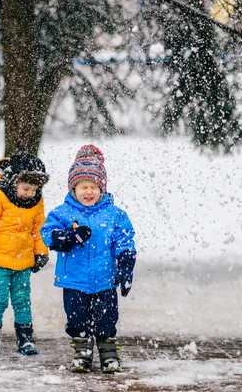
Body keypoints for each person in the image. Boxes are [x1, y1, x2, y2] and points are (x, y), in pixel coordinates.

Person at [41, 145, 137, 373]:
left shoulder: (114, 214)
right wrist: (68, 236)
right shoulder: (62, 213)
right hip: (74, 281)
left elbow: (124, 240)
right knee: (77, 320)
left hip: (105, 280)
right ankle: (82, 353)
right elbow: (48, 235)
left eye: (94, 187)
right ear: (73, 188)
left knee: (107, 319)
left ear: (101, 189)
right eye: (83, 186)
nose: (89, 192)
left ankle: (108, 353)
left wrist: (125, 265)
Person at [0, 152, 50, 357]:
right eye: (26, 189)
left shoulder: (36, 201)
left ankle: (25, 338)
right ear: (14, 180)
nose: (30, 194)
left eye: (34, 190)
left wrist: (40, 252)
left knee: (22, 300)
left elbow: (39, 227)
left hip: (23, 261)